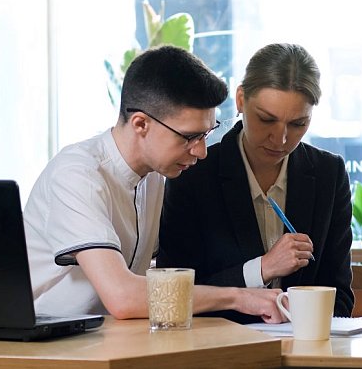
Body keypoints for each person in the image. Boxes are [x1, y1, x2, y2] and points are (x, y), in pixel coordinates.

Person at [24, 45, 284, 322]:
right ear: (140, 124)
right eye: (189, 137)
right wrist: (239, 297)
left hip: (108, 336)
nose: (201, 151)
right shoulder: (77, 174)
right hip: (44, 340)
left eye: (206, 134)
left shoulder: (156, 176)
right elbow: (123, 297)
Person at [156, 43, 355, 323]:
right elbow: (173, 293)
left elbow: (340, 297)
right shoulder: (193, 174)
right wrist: (261, 269)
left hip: (304, 343)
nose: (280, 139)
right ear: (240, 100)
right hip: (219, 344)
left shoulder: (328, 174)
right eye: (266, 119)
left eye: (298, 124)